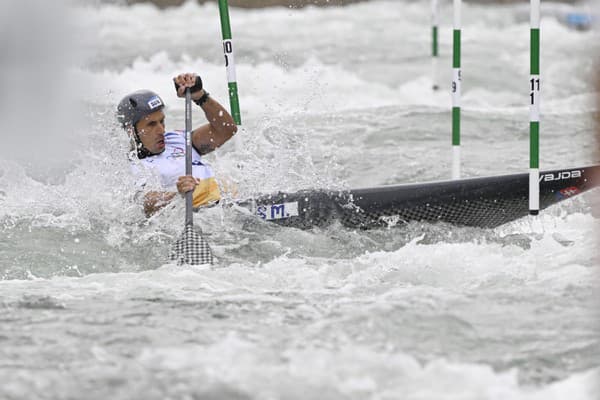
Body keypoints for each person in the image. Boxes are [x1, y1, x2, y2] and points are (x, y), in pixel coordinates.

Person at [117, 72, 237, 216]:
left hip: (232, 205)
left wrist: (200, 97)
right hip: (203, 216)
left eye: (162, 121)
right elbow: (145, 203)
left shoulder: (179, 139)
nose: (161, 130)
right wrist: (178, 194)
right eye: (151, 124)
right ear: (131, 131)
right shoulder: (133, 166)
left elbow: (226, 130)